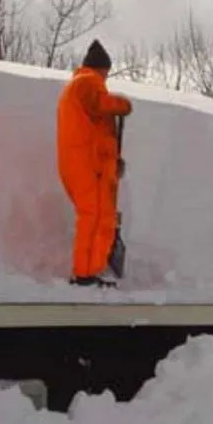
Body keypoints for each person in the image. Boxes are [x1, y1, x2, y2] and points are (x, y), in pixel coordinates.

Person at [56, 39, 132, 287]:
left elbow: (97, 130)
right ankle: (85, 275)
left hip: (90, 164)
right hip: (89, 165)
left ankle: (90, 269)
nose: (106, 79)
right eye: (106, 73)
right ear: (101, 68)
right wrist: (121, 104)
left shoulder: (78, 86)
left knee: (98, 216)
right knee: (94, 216)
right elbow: (99, 105)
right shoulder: (87, 82)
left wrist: (114, 161)